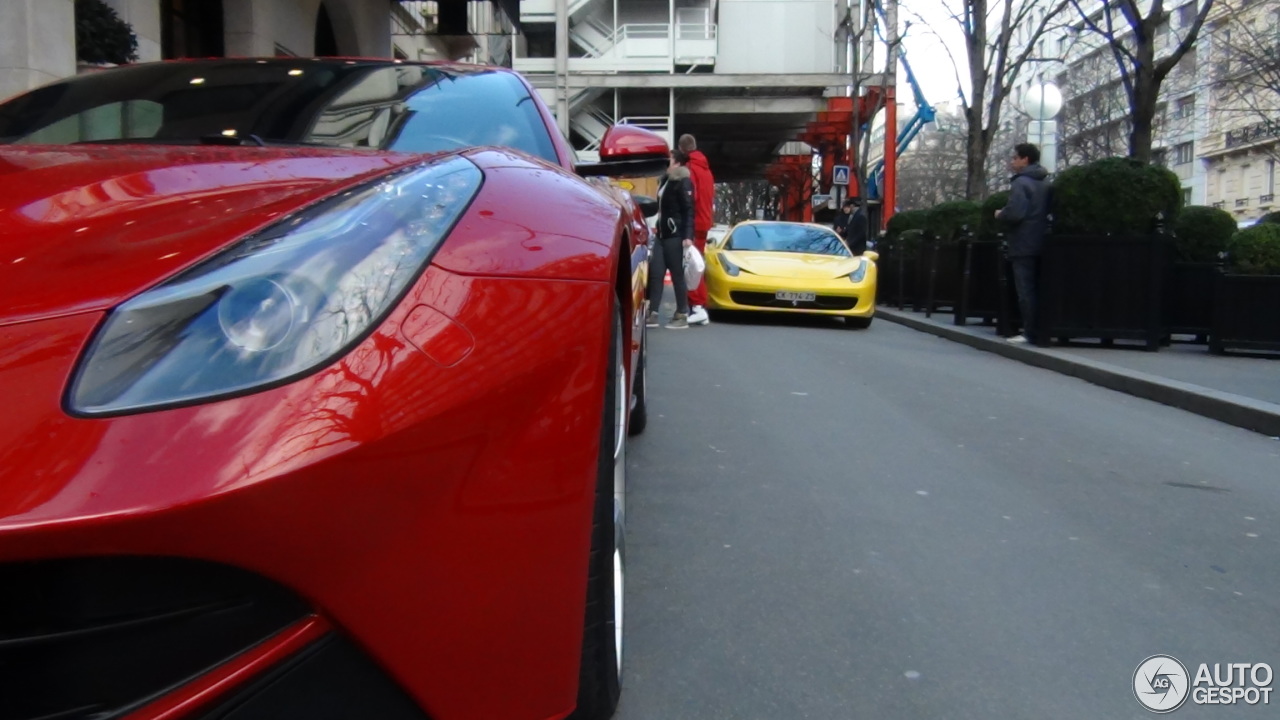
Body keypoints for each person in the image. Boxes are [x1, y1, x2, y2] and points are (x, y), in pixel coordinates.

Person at [995, 143, 1051, 344]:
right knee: (1038, 287)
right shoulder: (1045, 183)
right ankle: (1039, 328)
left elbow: (1016, 212)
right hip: (1041, 240)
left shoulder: (1021, 183)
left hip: (1022, 242)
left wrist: (1001, 214)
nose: (1012, 161)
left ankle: (1029, 331)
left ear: (1025, 159)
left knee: (1024, 289)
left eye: (1015, 158)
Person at [647, 149, 696, 329]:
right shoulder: (666, 180)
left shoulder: (683, 182)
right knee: (656, 272)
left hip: (675, 235)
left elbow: (689, 209)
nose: (665, 163)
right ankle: (653, 312)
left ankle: (682, 313)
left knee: (677, 274)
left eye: (668, 160)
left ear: (676, 163)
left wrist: (688, 236)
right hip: (662, 233)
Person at [678, 134, 715, 326]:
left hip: (694, 223)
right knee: (696, 263)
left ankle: (698, 306)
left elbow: (691, 199)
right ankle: (698, 306)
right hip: (704, 221)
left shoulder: (691, 170)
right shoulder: (706, 169)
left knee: (690, 266)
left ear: (682, 149)